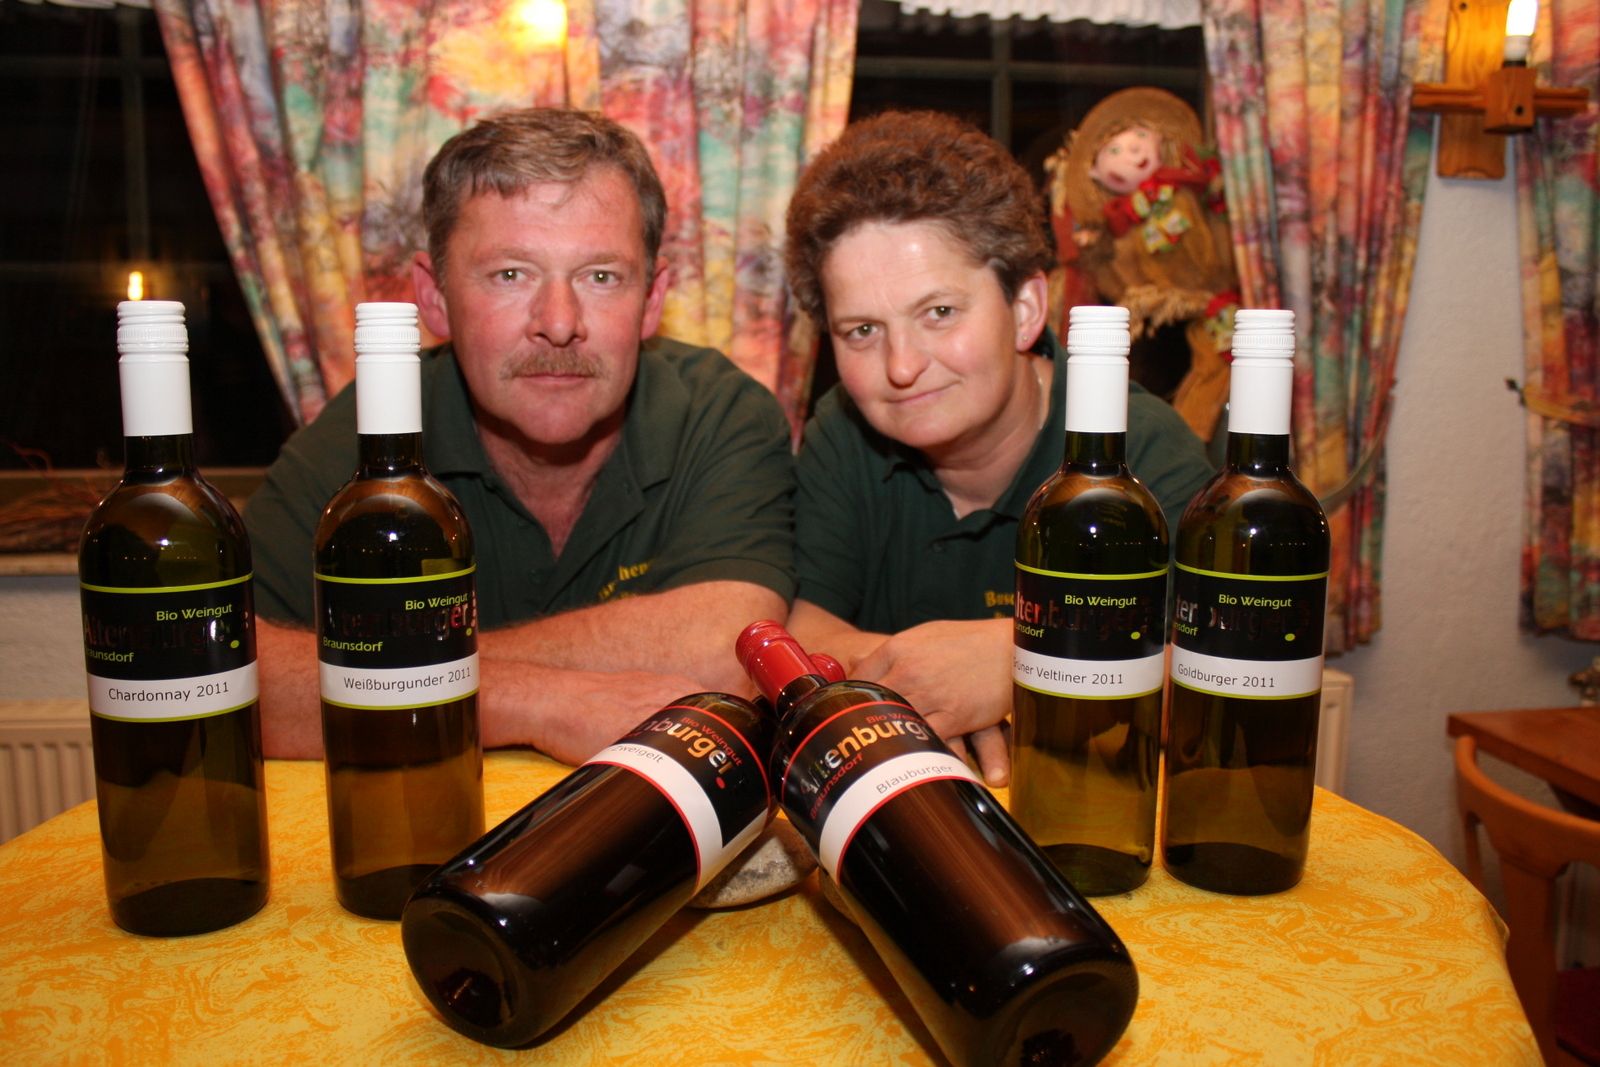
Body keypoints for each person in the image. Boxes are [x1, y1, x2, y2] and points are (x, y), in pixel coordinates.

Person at [245, 108, 795, 763]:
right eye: (511, 274)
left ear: (652, 299)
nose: (558, 324)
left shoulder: (720, 412)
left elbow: (727, 648)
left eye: (601, 276)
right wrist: (527, 698)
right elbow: (229, 676)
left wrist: (388, 670)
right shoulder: (373, 431)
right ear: (435, 296)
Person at [783, 110, 1214, 785]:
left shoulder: (1148, 455)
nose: (900, 365)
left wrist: (1019, 657)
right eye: (862, 329)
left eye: (939, 313)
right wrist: (933, 678)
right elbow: (803, 632)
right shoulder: (841, 432)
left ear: (1025, 309)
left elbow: (1208, 666)